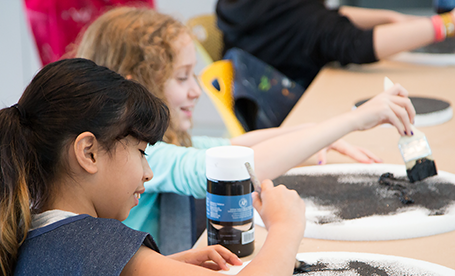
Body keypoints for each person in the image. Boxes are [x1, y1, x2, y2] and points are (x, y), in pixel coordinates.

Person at [76, 7, 415, 250]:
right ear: (136, 89)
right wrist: (351, 121)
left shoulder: (156, 142)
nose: (196, 90)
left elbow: (230, 144)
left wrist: (319, 130)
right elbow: (225, 167)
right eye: (182, 78)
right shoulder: (137, 154)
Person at [0, 57, 308, 276]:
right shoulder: (91, 243)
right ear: (88, 153)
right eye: (140, 152)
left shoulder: (40, 231)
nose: (148, 171)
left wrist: (169, 268)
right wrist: (286, 224)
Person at [216, 0, 455, 89]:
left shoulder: (246, 6)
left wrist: (390, 18)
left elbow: (325, 16)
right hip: (291, 113)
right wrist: (447, 23)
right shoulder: (301, 21)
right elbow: (357, 45)